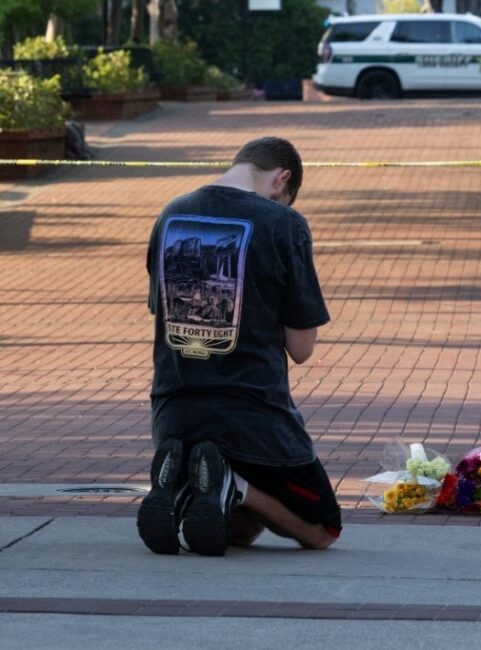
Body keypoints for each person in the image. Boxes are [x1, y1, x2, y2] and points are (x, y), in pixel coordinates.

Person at [138, 136, 341, 556]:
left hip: (174, 414)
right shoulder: (284, 224)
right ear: (281, 179)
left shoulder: (172, 214)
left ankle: (182, 492)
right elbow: (302, 348)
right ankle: (237, 485)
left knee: (240, 531)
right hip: (254, 417)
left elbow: (162, 311)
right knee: (323, 530)